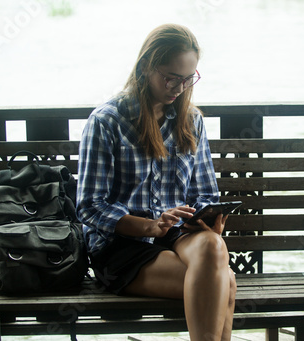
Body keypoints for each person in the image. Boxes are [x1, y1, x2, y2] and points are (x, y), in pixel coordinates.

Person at [76, 23, 236, 341]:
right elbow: (90, 208)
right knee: (225, 282)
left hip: (178, 236)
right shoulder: (108, 122)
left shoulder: (192, 121)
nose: (178, 87)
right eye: (171, 77)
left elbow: (204, 192)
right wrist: (150, 226)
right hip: (122, 249)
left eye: (188, 78)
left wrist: (208, 218)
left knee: (213, 245)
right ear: (147, 66)